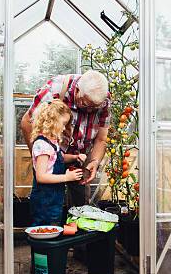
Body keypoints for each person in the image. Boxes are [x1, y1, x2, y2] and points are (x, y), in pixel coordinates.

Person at [21, 70, 110, 207]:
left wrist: (94, 161)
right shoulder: (54, 90)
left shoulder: (102, 100)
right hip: (51, 157)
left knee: (80, 206)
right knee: (48, 204)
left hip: (78, 160)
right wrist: (40, 156)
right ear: (78, 91)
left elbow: (101, 139)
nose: (91, 110)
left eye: (95, 107)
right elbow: (27, 123)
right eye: (87, 105)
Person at [28, 100, 86, 226]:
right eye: (63, 123)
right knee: (45, 229)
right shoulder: (42, 146)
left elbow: (59, 158)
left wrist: (75, 157)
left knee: (53, 227)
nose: (65, 128)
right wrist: (67, 177)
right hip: (45, 201)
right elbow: (41, 177)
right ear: (52, 121)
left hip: (54, 198)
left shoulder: (51, 142)